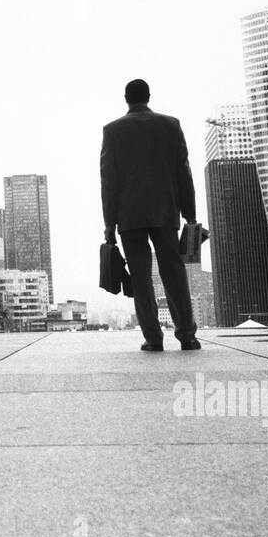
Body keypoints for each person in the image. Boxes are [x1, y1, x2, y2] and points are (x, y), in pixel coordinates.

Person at [100, 78, 201, 352]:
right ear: (148, 96)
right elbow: (184, 173)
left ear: (126, 98)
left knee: (141, 278)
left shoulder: (113, 131)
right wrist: (190, 214)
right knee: (174, 273)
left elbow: (109, 181)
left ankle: (153, 338)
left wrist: (109, 223)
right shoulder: (171, 125)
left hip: (129, 216)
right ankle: (187, 336)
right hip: (166, 211)